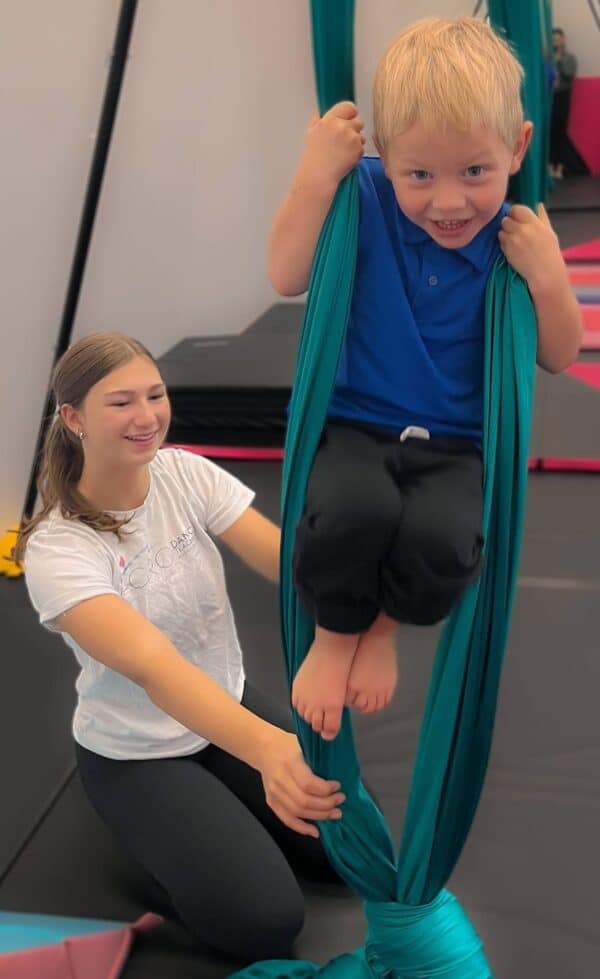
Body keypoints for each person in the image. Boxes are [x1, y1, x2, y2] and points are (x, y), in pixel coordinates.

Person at [268, 16, 583, 743]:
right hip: (355, 422)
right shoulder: (363, 200)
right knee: (352, 511)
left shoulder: (514, 237)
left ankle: (381, 628)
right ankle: (335, 632)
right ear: (383, 156)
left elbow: (560, 354)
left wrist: (548, 278)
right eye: (420, 175)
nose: (449, 202)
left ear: (518, 147)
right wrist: (314, 177)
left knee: (446, 544)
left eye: (476, 171)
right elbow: (286, 273)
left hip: (455, 442)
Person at [17, 332, 347, 964]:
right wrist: (272, 748)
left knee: (353, 847)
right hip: (137, 751)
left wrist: (364, 575)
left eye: (155, 394)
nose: (146, 416)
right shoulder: (58, 549)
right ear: (74, 417)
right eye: (120, 403)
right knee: (266, 923)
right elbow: (155, 667)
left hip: (224, 704)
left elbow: (284, 562)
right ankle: (145, 840)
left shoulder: (183, 473)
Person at [550, 28, 578, 178]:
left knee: (561, 132)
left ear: (563, 40)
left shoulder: (569, 58)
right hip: (549, 97)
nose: (555, 41)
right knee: (549, 133)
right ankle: (549, 168)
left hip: (563, 96)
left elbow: (569, 75)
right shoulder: (546, 57)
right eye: (553, 38)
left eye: (558, 38)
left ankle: (559, 168)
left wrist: (559, 60)